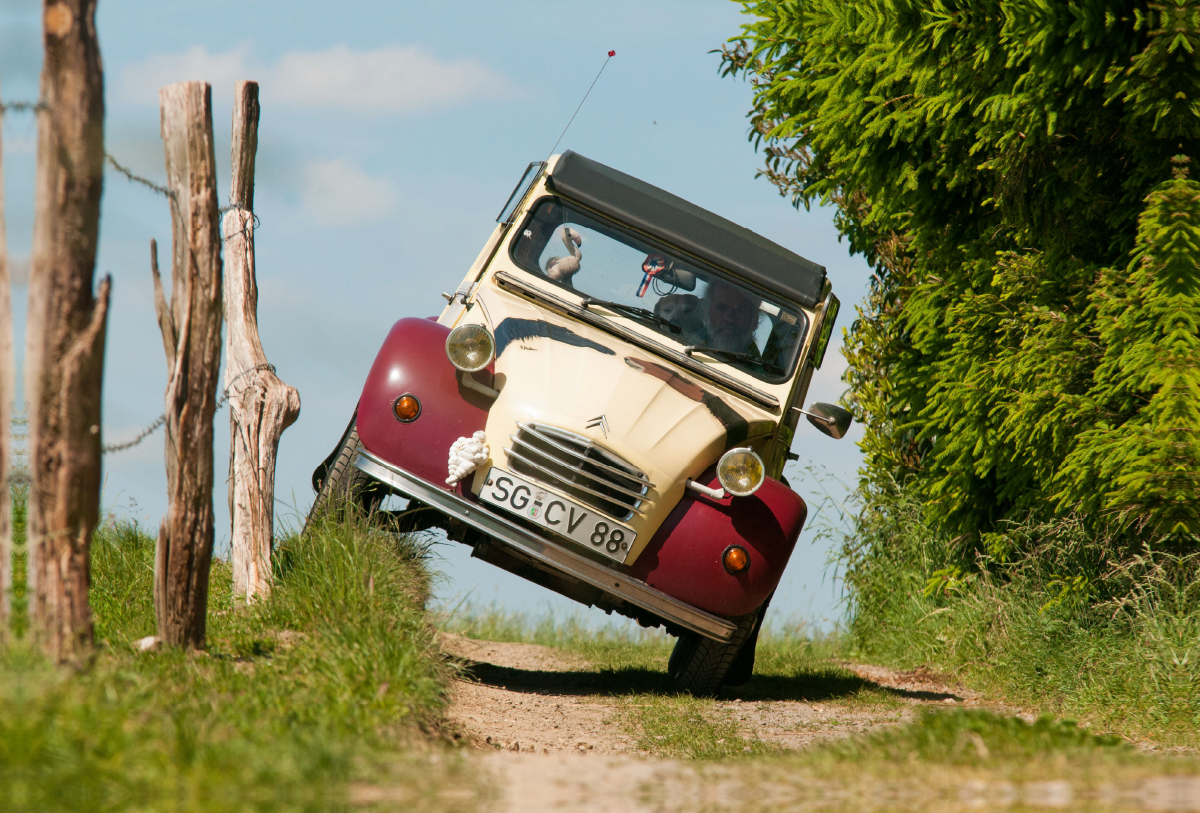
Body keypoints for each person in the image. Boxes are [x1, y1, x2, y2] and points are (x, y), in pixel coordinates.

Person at [702, 279, 762, 355]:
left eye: (740, 311)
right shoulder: (685, 341)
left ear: (754, 320)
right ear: (708, 311)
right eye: (721, 308)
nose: (729, 318)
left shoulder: (757, 365)